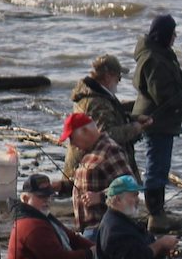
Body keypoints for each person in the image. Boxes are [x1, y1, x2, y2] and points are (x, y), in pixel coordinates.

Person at [132, 12, 182, 232]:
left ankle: (158, 211)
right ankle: (155, 216)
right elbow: (165, 97)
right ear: (164, 34)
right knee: (157, 167)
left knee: (160, 166)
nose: (175, 36)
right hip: (156, 121)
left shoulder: (160, 52)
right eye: (172, 32)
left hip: (160, 120)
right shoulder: (153, 60)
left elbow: (169, 77)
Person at [63, 53, 151, 181]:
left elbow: (110, 118)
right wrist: (134, 128)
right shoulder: (95, 102)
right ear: (108, 76)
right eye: (118, 78)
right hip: (92, 171)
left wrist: (133, 118)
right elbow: (106, 135)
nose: (119, 82)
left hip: (91, 166)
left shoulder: (98, 94)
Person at [63, 111, 137, 236]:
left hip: (104, 228)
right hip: (88, 229)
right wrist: (60, 186)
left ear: (86, 131)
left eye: (72, 138)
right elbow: (90, 183)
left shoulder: (109, 150)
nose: (72, 145)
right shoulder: (90, 151)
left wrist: (100, 197)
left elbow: (130, 185)